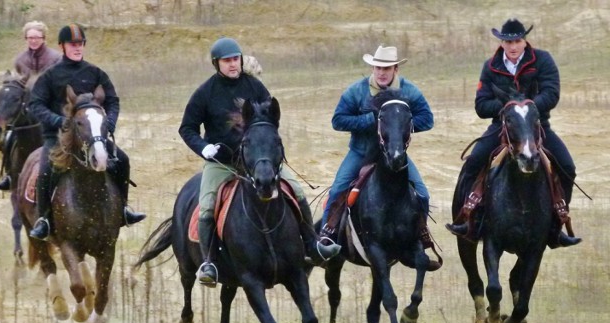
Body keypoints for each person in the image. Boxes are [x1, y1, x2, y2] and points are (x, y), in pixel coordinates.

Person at [179, 36, 340, 287]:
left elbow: (269, 118)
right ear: (216, 63)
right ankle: (208, 262)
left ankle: (312, 244)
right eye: (227, 61)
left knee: (296, 190)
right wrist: (204, 148)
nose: (233, 64)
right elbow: (187, 128)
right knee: (208, 205)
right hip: (222, 163)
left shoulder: (254, 86)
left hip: (257, 161)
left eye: (236, 59)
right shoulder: (204, 93)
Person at [445, 18, 580, 248]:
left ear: (524, 40)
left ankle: (556, 225)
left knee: (567, 167)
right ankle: (467, 218)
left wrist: (526, 109)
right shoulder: (490, 66)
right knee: (473, 163)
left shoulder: (543, 60)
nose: (513, 46)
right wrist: (508, 111)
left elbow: (552, 93)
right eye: (508, 42)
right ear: (502, 43)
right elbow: (481, 104)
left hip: (538, 127)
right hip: (502, 127)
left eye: (517, 40)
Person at [320, 44, 440, 271]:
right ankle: (327, 237)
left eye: (387, 68)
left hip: (394, 154)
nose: (381, 72)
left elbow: (427, 118)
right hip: (360, 152)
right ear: (372, 68)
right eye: (378, 67)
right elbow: (338, 120)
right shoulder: (356, 91)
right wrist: (369, 121)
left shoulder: (409, 91)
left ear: (396, 69)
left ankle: (420, 236)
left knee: (422, 193)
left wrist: (400, 125)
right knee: (338, 189)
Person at [27, 23, 146, 241]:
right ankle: (44, 219)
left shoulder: (96, 73)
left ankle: (124, 210)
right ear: (62, 46)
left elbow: (113, 101)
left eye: (80, 43)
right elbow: (35, 105)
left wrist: (108, 123)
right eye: (73, 44)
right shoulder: (50, 76)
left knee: (123, 160)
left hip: (93, 136)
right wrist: (57, 120)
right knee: (45, 170)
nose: (77, 47)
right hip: (58, 138)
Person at [0, 20, 61, 191]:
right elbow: (18, 84)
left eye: (37, 37)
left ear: (44, 38)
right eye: (30, 37)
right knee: (9, 137)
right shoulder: (20, 59)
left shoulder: (55, 58)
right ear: (26, 38)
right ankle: (10, 174)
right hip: (27, 106)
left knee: (67, 133)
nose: (33, 40)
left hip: (50, 105)